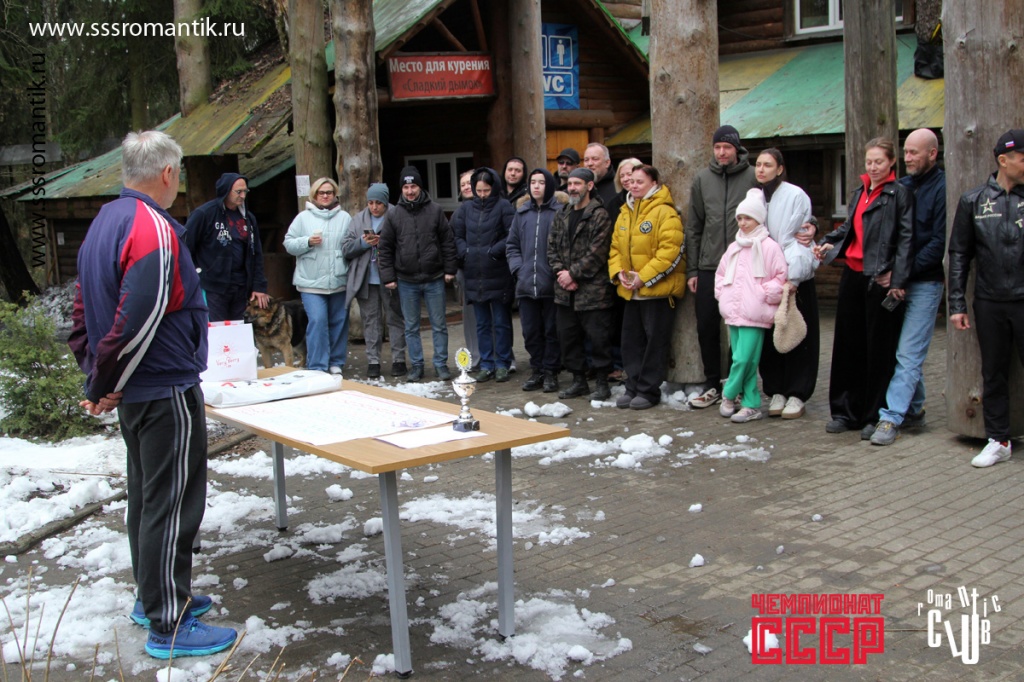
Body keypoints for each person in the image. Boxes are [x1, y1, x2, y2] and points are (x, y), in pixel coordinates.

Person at [68, 130, 237, 658]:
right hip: (162, 387)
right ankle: (169, 622)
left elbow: (81, 310)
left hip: (138, 389)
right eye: (179, 173)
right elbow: (138, 316)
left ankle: (154, 597)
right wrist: (106, 382)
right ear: (167, 173)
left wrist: (99, 377)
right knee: (173, 502)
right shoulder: (152, 226)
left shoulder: (104, 221)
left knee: (147, 495)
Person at [814, 137, 913, 437]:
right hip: (853, 274)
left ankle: (873, 415)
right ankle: (845, 412)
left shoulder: (900, 194)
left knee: (878, 349)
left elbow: (906, 238)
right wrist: (826, 242)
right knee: (848, 344)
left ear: (892, 162)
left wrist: (898, 279)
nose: (873, 167)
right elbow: (849, 229)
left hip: (879, 278)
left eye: (879, 161)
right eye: (869, 162)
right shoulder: (860, 191)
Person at [947, 128, 1024, 467]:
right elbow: (959, 255)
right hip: (990, 301)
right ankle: (999, 440)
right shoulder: (974, 200)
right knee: (994, 373)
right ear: (1004, 160)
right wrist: (957, 304)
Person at [870, 129, 946, 445]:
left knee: (908, 353)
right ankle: (914, 409)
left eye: (915, 152)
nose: (908, 158)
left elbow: (939, 242)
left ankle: (891, 418)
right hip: (897, 282)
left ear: (932, 153)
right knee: (903, 350)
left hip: (925, 283)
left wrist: (901, 273)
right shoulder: (900, 187)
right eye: (906, 152)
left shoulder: (944, 188)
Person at [686, 125, 758, 408]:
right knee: (706, 326)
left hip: (744, 264)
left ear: (736, 149)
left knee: (739, 327)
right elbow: (694, 227)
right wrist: (693, 270)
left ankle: (735, 385)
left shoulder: (753, 177)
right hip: (709, 265)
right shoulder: (702, 179)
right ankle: (711, 384)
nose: (721, 152)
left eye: (726, 147)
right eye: (717, 147)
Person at [608, 165, 687, 410]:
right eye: (631, 181)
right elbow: (615, 248)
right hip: (631, 292)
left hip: (657, 292)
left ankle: (648, 390)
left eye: (639, 181)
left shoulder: (666, 212)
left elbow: (671, 252)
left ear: (654, 184)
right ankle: (632, 386)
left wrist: (643, 278)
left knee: (655, 344)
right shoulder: (625, 212)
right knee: (631, 343)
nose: (633, 185)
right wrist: (618, 273)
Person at [754, 148, 819, 420]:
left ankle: (797, 392)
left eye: (767, 165)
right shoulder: (755, 196)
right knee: (770, 337)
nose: (761, 169)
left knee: (797, 334)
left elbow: (799, 237)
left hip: (794, 278)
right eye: (758, 164)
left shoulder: (795, 195)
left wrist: (794, 276)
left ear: (780, 168)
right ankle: (776, 390)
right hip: (767, 279)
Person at [377, 165, 458, 382]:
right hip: (406, 280)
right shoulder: (393, 214)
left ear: (420, 187)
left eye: (413, 186)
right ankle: (417, 366)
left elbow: (447, 241)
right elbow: (385, 247)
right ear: (401, 189)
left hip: (434, 277)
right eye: (406, 187)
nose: (410, 191)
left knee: (439, 325)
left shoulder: (435, 210)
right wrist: (388, 277)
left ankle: (440, 364)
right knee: (411, 326)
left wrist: (450, 269)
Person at [714, 188, 789, 423]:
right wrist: (722, 295)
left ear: (759, 219)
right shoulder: (734, 247)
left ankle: (728, 394)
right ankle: (751, 404)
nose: (743, 223)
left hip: (756, 312)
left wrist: (765, 293)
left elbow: (780, 276)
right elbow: (721, 273)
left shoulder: (769, 247)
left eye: (748, 218)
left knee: (744, 359)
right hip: (733, 311)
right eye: (740, 218)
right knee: (743, 359)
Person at [548, 168, 616, 400]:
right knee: (568, 338)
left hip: (593, 292)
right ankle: (578, 382)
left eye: (577, 183)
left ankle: (602, 384)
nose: (572, 188)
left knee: (598, 340)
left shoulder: (599, 214)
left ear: (589, 186)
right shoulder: (562, 214)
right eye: (570, 184)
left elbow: (598, 252)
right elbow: (551, 248)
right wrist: (562, 274)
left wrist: (573, 275)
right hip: (564, 292)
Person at [452, 168, 517, 382]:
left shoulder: (504, 206)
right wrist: (465, 252)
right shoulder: (465, 209)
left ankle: (503, 362)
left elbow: (511, 234)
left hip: (498, 272)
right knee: (481, 323)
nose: (481, 195)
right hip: (474, 273)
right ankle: (487, 363)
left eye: (486, 191)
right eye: (478, 190)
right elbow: (457, 235)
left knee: (500, 322)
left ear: (493, 188)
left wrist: (493, 251)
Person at [282, 178, 351, 374]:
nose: (326, 196)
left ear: (335, 194)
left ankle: (335, 362)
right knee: (318, 321)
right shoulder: (303, 218)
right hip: (310, 282)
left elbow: (351, 244)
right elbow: (288, 244)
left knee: (339, 322)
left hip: (339, 279)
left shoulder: (345, 217)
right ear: (314, 195)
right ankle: (318, 365)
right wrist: (307, 242)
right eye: (322, 192)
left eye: (329, 192)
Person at [507, 168, 565, 393]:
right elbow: (512, 245)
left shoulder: (559, 212)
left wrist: (555, 271)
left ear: (549, 185)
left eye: (541, 182)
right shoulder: (521, 214)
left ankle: (551, 372)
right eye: (533, 182)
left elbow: (564, 246)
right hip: (525, 284)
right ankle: (537, 369)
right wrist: (518, 269)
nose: (536, 186)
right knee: (530, 332)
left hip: (551, 284)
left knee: (552, 331)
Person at [184, 172, 270, 321]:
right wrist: (197, 272)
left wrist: (259, 285)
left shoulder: (248, 218)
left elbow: (256, 253)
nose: (243, 196)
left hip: (241, 285)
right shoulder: (204, 214)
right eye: (238, 191)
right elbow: (185, 245)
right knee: (216, 329)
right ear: (226, 190)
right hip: (213, 285)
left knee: (239, 328)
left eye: (245, 191)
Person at [343, 183, 408, 379]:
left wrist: (385, 243)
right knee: (371, 320)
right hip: (366, 278)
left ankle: (399, 359)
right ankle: (373, 361)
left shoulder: (397, 215)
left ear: (385, 202)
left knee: (395, 317)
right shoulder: (358, 220)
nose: (374, 207)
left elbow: (407, 244)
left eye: (378, 203)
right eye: (370, 202)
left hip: (391, 277)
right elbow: (345, 248)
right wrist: (362, 243)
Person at [454, 169, 481, 369]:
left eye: (469, 183)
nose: (466, 187)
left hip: (490, 271)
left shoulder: (493, 207)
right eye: (462, 184)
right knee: (471, 317)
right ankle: (474, 356)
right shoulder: (457, 214)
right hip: (466, 270)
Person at [583, 142, 619, 208]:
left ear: (607, 163)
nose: (590, 163)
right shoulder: (580, 186)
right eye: (586, 160)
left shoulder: (618, 186)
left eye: (595, 159)